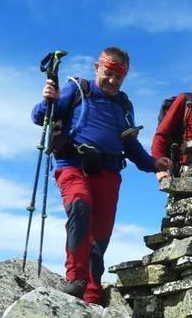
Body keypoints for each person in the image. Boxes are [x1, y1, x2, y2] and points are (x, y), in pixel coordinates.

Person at [31, 46, 170, 304]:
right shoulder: (77, 89)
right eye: (108, 74)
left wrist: (154, 164)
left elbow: (130, 145)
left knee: (101, 234)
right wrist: (47, 99)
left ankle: (93, 293)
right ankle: (76, 280)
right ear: (98, 67)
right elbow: (41, 117)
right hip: (72, 164)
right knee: (80, 207)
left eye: (119, 77)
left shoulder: (123, 104)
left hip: (109, 172)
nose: (113, 81)